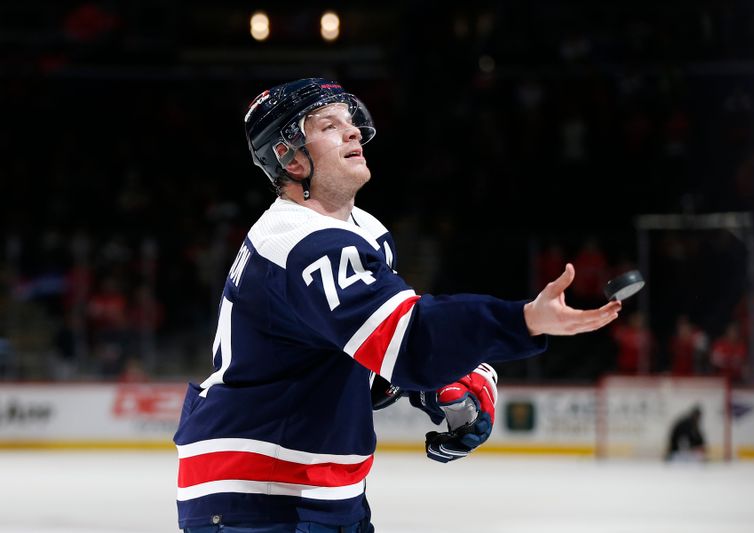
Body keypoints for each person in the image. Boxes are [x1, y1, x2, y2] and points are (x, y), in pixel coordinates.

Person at [172, 78, 622, 533]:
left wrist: (438, 382)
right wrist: (521, 320)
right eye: (329, 126)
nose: (352, 132)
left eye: (350, 122)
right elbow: (408, 342)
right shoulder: (303, 242)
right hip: (259, 493)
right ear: (289, 157)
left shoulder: (361, 231)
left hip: (316, 490)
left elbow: (357, 359)